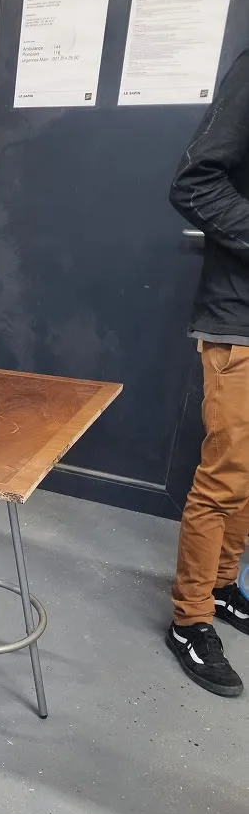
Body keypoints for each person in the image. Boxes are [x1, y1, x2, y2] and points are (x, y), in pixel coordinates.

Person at [166, 51, 249, 698]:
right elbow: (194, 183)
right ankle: (190, 618)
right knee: (225, 476)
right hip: (238, 323)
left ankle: (222, 587)